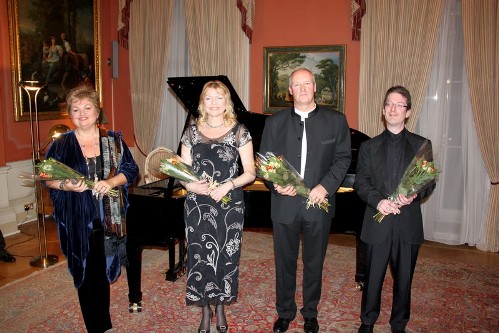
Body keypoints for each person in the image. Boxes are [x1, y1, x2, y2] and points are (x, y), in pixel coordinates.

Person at [259, 68, 351, 333]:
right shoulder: (273, 123)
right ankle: (285, 312)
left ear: (314, 86)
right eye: (296, 85)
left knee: (314, 262)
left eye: (307, 83)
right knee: (284, 262)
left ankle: (310, 312)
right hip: (284, 206)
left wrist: (326, 186)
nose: (302, 89)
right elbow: (265, 163)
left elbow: (343, 158)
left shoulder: (336, 121)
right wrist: (274, 184)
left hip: (318, 205)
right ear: (290, 91)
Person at [45, 85, 139, 333]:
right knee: (85, 272)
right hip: (77, 217)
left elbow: (130, 171)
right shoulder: (61, 145)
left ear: (97, 112)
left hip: (108, 217)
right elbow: (47, 177)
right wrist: (65, 184)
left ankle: (104, 323)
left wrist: (110, 182)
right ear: (70, 114)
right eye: (76, 109)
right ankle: (94, 326)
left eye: (87, 108)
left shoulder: (113, 141)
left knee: (102, 268)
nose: (82, 113)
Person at [354, 86, 436, 333]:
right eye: (389, 104)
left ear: (408, 112)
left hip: (407, 223)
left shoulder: (422, 145)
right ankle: (367, 321)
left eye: (399, 105)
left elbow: (429, 181)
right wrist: (379, 201)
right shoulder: (368, 147)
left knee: (404, 281)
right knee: (372, 279)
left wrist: (414, 195)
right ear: (383, 110)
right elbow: (361, 182)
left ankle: (399, 323)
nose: (392, 109)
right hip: (376, 222)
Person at [180, 80, 256, 333]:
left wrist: (228, 185)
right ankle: (204, 308)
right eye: (209, 98)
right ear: (202, 102)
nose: (214, 103)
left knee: (226, 255)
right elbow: (182, 171)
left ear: (227, 102)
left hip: (228, 203)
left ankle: (221, 305)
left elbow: (250, 173)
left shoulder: (239, 131)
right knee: (200, 255)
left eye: (219, 98)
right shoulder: (191, 132)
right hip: (197, 204)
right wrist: (189, 186)